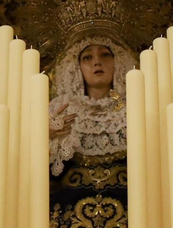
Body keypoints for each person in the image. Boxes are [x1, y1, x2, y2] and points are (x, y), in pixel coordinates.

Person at [48, 34, 134, 175]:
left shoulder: (134, 108)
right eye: (87, 57)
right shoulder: (58, 109)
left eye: (105, 55)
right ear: (77, 67)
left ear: (117, 63)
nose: (97, 62)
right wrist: (45, 136)